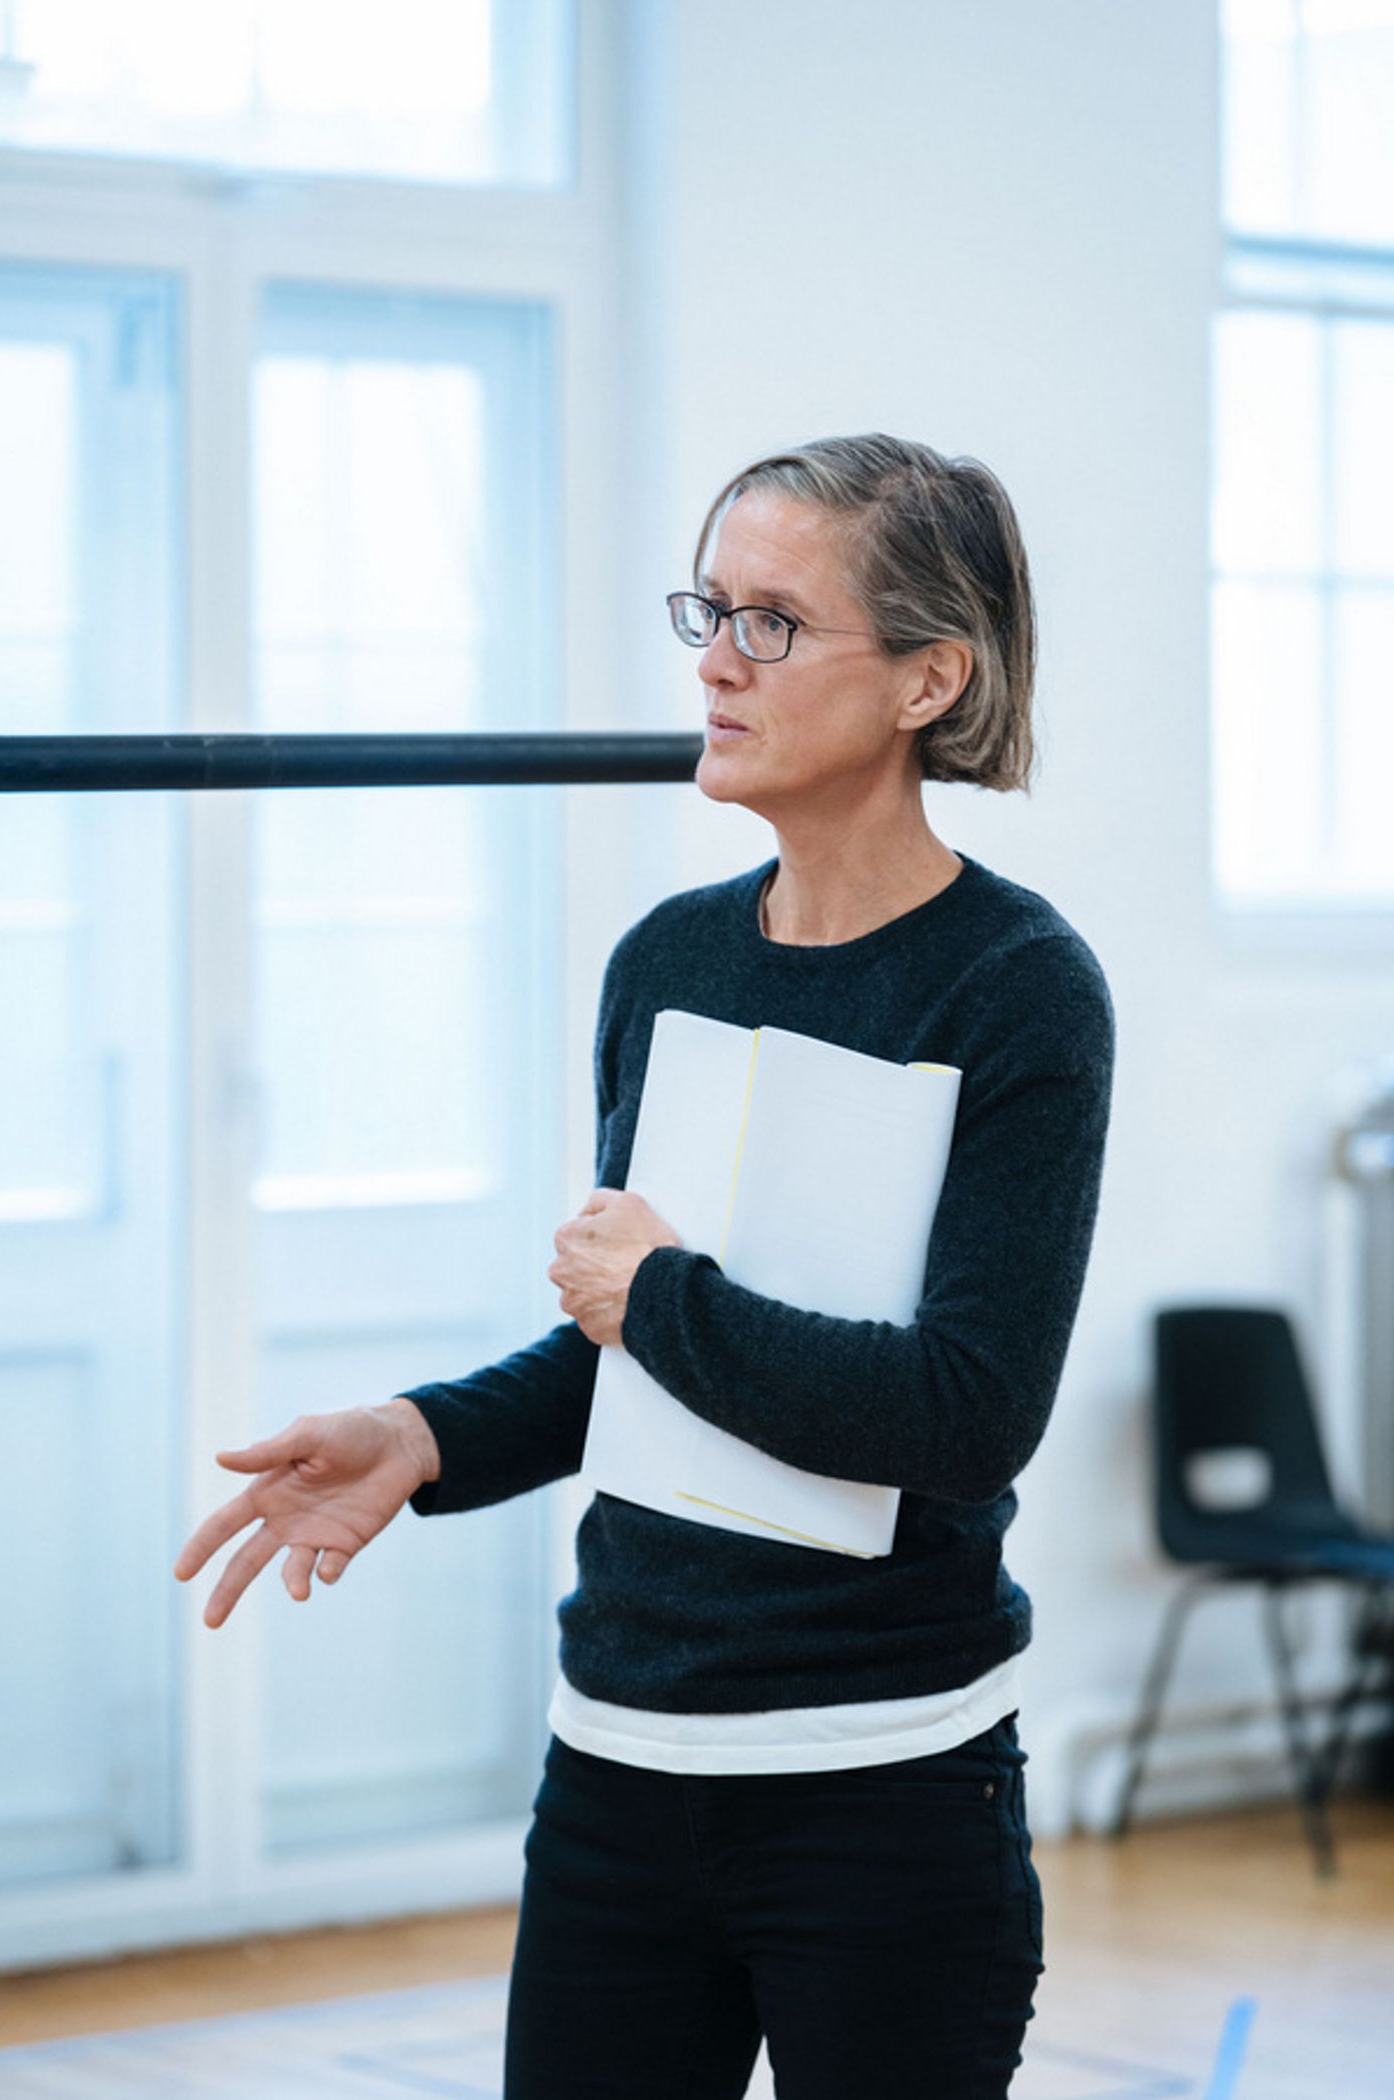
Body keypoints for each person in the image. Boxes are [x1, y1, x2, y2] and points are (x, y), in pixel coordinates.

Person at [175, 431, 1115, 2099]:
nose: (714, 663)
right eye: (709, 610)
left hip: (885, 1792)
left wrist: (661, 1295)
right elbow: (637, 1358)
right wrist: (427, 1436)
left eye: (772, 623)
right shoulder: (669, 961)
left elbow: (966, 1415)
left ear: (929, 680)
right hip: (617, 1772)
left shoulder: (1018, 986)